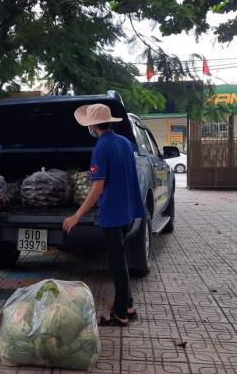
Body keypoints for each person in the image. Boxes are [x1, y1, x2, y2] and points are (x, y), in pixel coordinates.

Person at [63, 103, 145, 327]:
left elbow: (97, 188)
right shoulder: (125, 142)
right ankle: (127, 304)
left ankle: (120, 315)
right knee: (122, 260)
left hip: (112, 214)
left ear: (92, 126)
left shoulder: (101, 148)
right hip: (128, 211)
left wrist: (76, 216)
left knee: (117, 264)